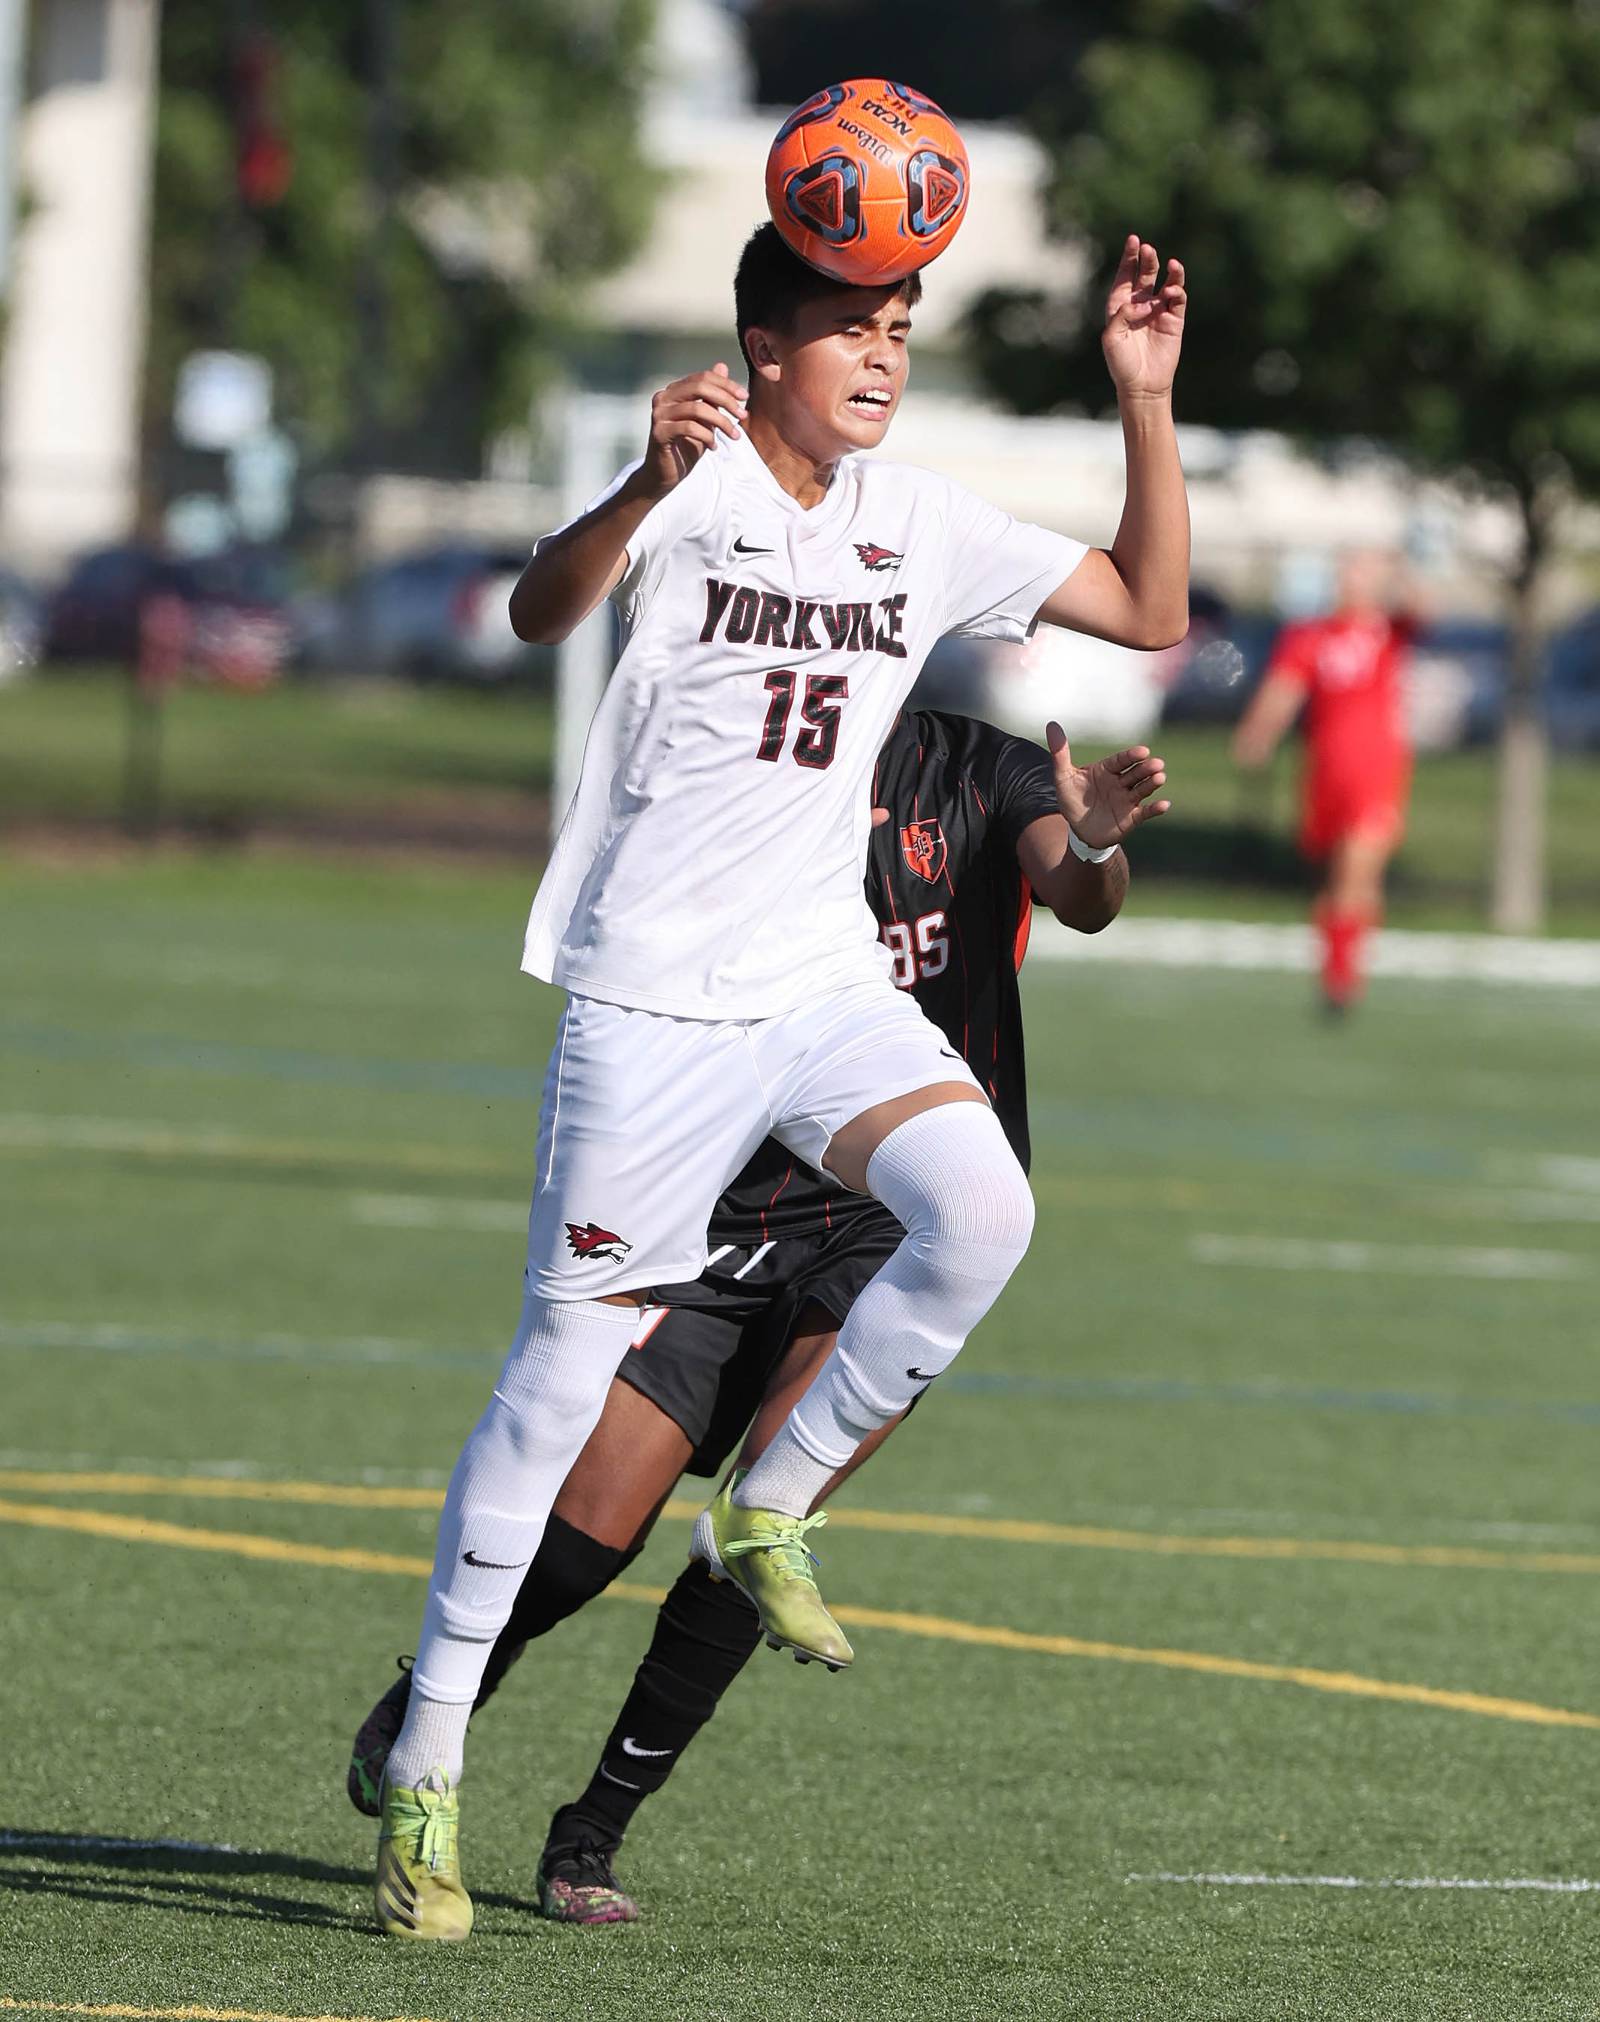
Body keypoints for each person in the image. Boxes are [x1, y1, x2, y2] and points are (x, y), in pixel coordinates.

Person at [373, 219, 1188, 1943]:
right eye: (848, 325)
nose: (883, 353)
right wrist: (629, 483)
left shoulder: (922, 518)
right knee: (558, 1373)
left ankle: (768, 1501)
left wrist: (1142, 397)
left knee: (983, 1205)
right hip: (653, 1002)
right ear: (763, 345)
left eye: (899, 323)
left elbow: (1151, 606)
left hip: (817, 981)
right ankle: (431, 1759)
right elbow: (539, 610)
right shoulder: (694, 475)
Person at [350, 703, 1170, 1924]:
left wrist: (1096, 842)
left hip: (890, 1201)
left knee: (753, 1529)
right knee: (587, 1536)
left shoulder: (975, 762)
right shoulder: (749, 753)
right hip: (728, 1186)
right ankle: (441, 1696)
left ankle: (590, 1836)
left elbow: (1074, 888)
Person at [1232, 550, 1417, 1013]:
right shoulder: (1310, 636)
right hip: (1326, 773)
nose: (1351, 584)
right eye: (1346, 574)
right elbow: (1283, 689)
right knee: (1338, 880)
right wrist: (1258, 733)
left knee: (1359, 866)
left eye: (1360, 574)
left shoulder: (1389, 632)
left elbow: (1422, 606)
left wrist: (1401, 565)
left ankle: (1343, 980)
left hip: (1377, 770)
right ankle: (1338, 967)